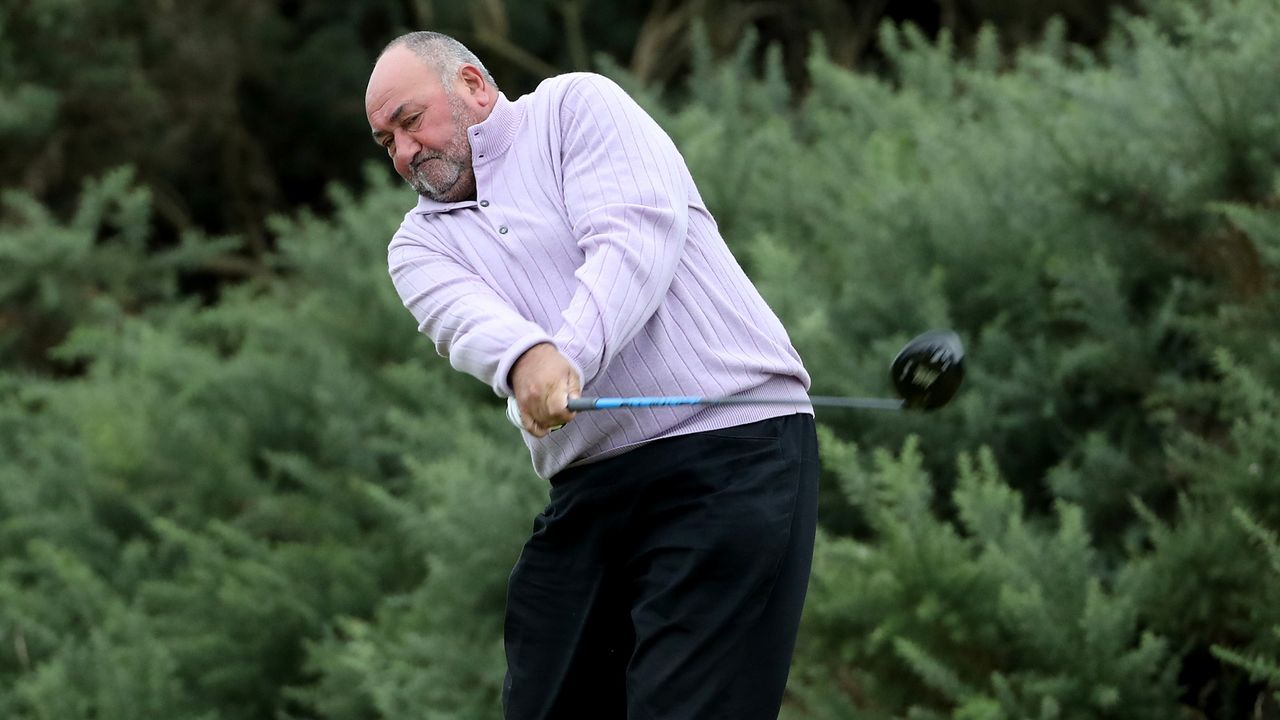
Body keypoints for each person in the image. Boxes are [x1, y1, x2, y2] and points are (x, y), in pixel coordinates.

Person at [366, 31, 820, 720]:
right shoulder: (416, 246)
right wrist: (526, 361)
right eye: (385, 142)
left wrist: (566, 355)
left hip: (735, 452)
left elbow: (634, 236)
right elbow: (468, 324)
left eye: (409, 122)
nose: (403, 152)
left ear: (473, 86)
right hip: (590, 486)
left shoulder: (577, 106)